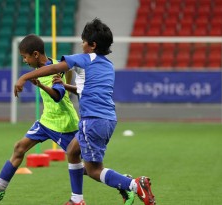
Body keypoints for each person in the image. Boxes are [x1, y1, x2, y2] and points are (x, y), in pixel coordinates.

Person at [14, 18, 156, 205]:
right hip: (107, 119)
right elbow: (85, 90)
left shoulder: (85, 59)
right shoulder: (108, 65)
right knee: (72, 151)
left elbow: (55, 67)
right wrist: (66, 85)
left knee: (94, 169)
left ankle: (134, 185)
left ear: (92, 45)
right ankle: (77, 200)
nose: (81, 45)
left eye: (83, 41)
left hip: (93, 120)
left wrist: (24, 77)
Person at [0, 34, 86, 204]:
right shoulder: (54, 63)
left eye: (25, 57)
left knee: (84, 168)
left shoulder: (53, 69)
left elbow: (58, 96)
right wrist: (66, 83)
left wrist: (45, 85)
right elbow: (70, 69)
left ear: (35, 54)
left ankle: (123, 182)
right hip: (46, 121)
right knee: (19, 147)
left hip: (63, 124)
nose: (24, 61)